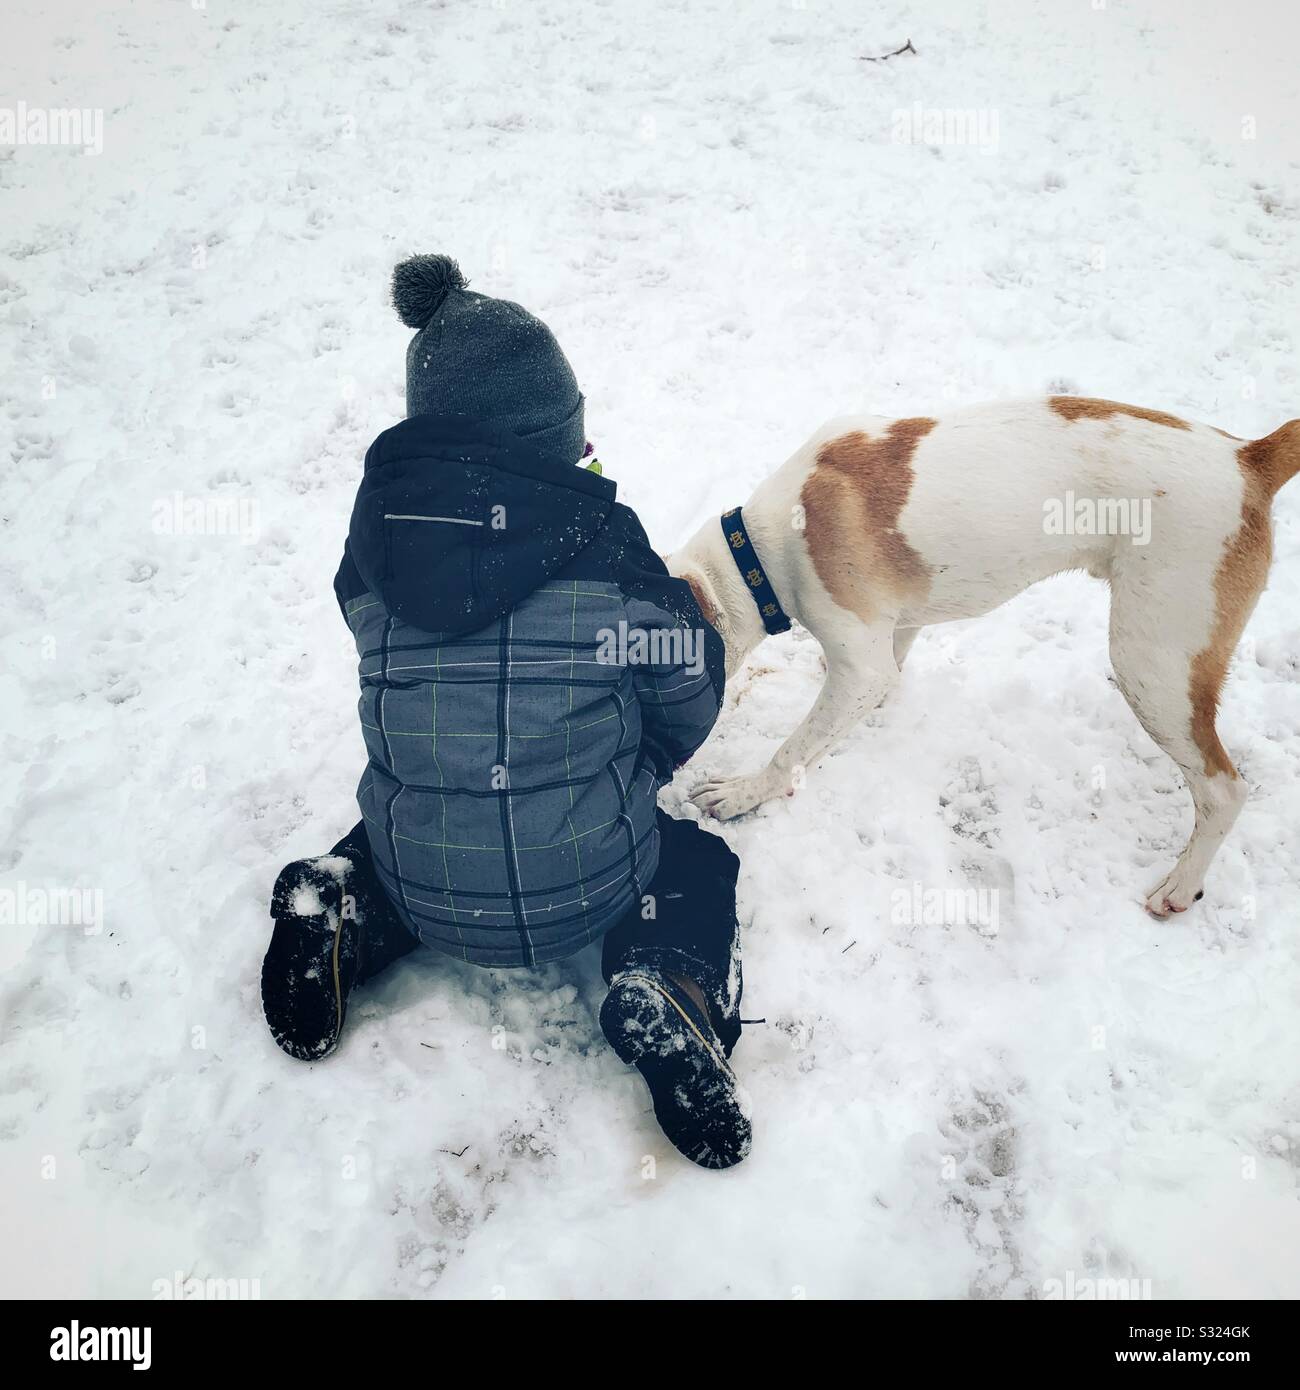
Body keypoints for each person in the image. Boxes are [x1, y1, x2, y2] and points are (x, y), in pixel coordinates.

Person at [260, 255, 750, 1169]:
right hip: (601, 878)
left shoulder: (371, 558)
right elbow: (689, 686)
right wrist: (636, 766)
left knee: (390, 838)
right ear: (553, 437)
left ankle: (341, 913)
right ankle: (664, 974)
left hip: (426, 886)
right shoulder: (609, 550)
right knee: (692, 862)